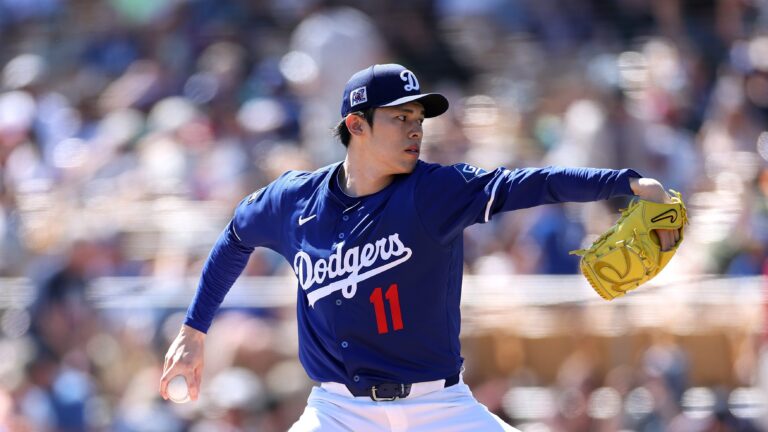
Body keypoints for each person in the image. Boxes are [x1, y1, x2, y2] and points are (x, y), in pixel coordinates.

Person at [159, 64, 680, 431]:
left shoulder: (434, 191)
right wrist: (194, 328)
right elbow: (234, 237)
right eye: (399, 118)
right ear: (355, 126)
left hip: (441, 408)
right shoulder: (292, 201)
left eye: (418, 119)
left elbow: (531, 182)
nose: (415, 130)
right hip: (339, 414)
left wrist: (626, 181)